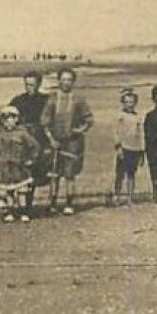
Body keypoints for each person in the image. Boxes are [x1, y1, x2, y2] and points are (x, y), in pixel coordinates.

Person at [40, 67, 94, 215]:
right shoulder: (52, 98)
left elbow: (89, 119)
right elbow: (44, 121)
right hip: (55, 141)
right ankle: (52, 204)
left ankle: (69, 204)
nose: (66, 83)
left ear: (73, 82)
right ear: (59, 81)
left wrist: (79, 130)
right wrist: (51, 139)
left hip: (73, 143)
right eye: (63, 79)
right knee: (54, 173)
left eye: (69, 80)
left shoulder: (78, 99)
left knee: (70, 174)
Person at [0, 105, 42, 222]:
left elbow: (35, 146)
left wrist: (31, 159)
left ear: (16, 120)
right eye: (4, 120)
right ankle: (10, 211)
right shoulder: (0, 133)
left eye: (10, 119)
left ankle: (23, 212)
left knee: (21, 191)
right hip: (4, 166)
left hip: (19, 165)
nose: (7, 122)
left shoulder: (22, 134)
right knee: (7, 191)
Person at [8, 71, 52, 193]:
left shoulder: (46, 100)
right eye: (26, 84)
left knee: (35, 168)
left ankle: (29, 203)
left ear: (39, 84)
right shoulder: (18, 100)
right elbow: (8, 115)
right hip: (22, 136)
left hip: (39, 136)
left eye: (32, 85)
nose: (29, 88)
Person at [110, 88, 146, 207]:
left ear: (135, 103)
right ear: (123, 103)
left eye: (132, 102)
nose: (129, 104)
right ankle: (117, 196)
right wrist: (118, 146)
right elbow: (116, 132)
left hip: (134, 149)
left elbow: (141, 134)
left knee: (131, 174)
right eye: (127, 102)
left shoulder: (138, 117)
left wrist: (142, 151)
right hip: (124, 148)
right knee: (120, 174)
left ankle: (130, 198)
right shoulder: (120, 116)